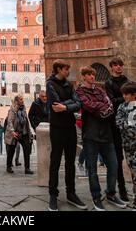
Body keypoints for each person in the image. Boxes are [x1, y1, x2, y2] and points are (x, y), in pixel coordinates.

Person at [76, 66, 126, 211]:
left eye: (93, 74)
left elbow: (110, 105)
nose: (92, 76)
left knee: (114, 166)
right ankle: (96, 197)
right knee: (92, 169)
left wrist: (102, 109)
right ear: (84, 76)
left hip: (107, 134)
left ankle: (110, 193)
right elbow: (89, 106)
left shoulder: (100, 90)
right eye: (89, 74)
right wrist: (102, 108)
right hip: (91, 135)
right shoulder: (79, 92)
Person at [46, 59, 86, 211]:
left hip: (70, 127)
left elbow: (78, 103)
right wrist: (69, 104)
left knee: (71, 162)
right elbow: (56, 104)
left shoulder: (70, 84)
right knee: (55, 162)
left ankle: (71, 193)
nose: (68, 71)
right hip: (57, 128)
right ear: (58, 69)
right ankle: (52, 195)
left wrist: (66, 106)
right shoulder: (50, 84)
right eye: (65, 69)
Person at [105, 57, 130, 203]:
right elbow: (112, 102)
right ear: (111, 67)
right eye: (116, 65)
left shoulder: (127, 80)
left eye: (120, 64)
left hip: (129, 122)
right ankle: (121, 190)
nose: (119, 67)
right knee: (118, 158)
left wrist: (124, 98)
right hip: (115, 125)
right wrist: (126, 97)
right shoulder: (108, 83)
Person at [116, 81, 136, 210]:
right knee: (134, 173)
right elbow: (118, 122)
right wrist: (130, 128)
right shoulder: (122, 107)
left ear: (134, 95)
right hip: (128, 147)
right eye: (123, 94)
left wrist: (128, 128)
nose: (124, 96)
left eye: (127, 94)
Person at [4, 95, 33, 175]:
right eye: (21, 99)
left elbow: (26, 121)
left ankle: (27, 168)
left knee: (26, 150)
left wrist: (29, 132)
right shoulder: (12, 110)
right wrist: (12, 132)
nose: (22, 101)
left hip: (23, 132)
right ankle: (8, 166)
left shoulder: (23, 109)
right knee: (11, 151)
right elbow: (9, 122)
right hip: (15, 133)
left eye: (22, 99)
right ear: (16, 101)